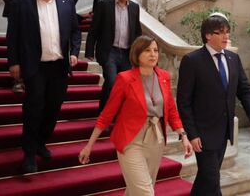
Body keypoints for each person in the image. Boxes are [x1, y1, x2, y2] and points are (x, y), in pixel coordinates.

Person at [79, 36, 192, 195]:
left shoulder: (164, 77)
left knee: (136, 190)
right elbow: (107, 114)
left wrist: (184, 135)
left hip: (156, 139)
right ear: (137, 54)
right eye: (147, 50)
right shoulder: (124, 79)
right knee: (146, 192)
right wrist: (89, 145)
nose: (153, 54)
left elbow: (172, 110)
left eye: (155, 50)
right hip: (130, 141)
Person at [177, 13, 250, 196]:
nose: (226, 37)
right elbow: (183, 102)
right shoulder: (192, 61)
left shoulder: (233, 59)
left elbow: (245, 90)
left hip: (223, 131)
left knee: (206, 179)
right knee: (212, 179)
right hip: (202, 133)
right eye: (221, 32)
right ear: (208, 35)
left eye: (228, 32)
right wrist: (191, 134)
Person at [7, 0, 81, 173]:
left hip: (59, 66)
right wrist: (13, 62)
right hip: (35, 66)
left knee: (53, 108)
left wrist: (74, 52)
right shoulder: (20, 4)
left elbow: (75, 32)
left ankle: (41, 142)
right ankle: (29, 153)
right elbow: (12, 35)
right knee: (34, 108)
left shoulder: (67, 3)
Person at [85, 0, 142, 111]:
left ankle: (117, 112)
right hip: (109, 51)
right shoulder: (104, 5)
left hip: (127, 52)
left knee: (124, 85)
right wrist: (89, 50)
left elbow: (137, 32)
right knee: (111, 81)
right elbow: (94, 29)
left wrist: (139, 53)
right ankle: (104, 112)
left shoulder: (134, 8)